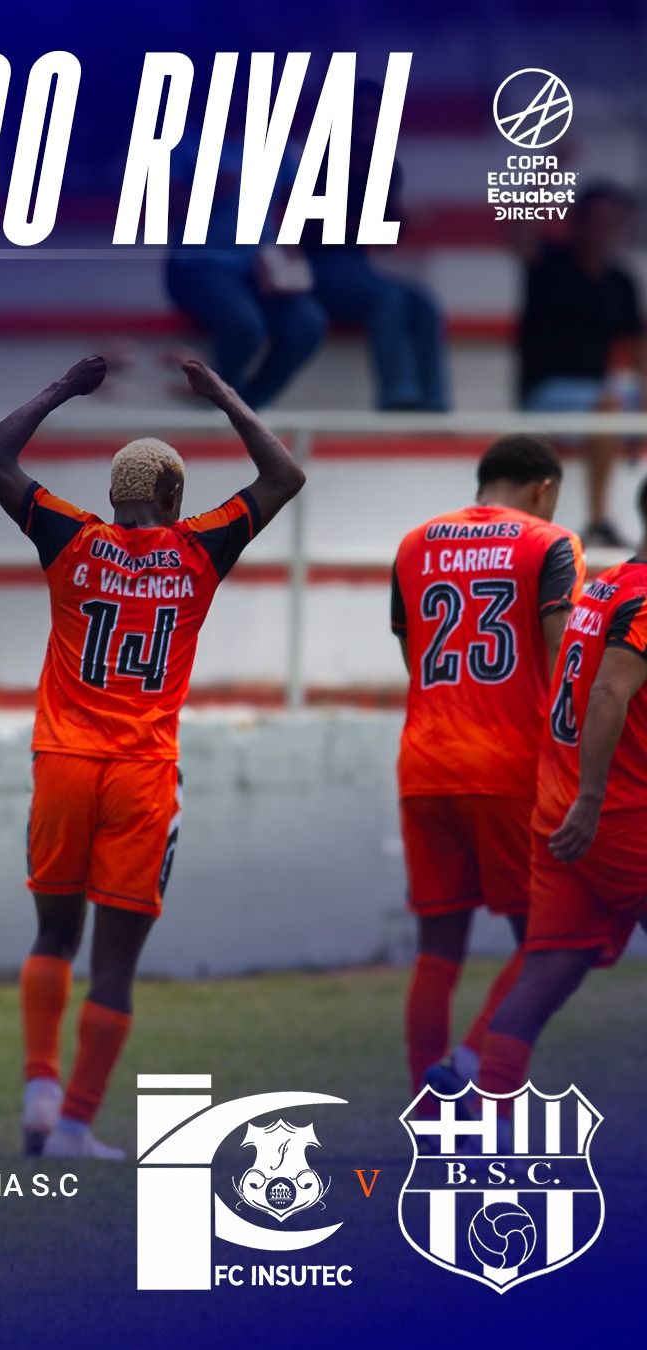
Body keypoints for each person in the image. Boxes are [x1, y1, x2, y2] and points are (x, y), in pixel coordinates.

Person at [0, 354, 305, 1158]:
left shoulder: (70, 537)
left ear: (114, 496)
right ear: (174, 498)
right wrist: (222, 394)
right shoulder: (200, 549)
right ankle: (76, 1125)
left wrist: (62, 388)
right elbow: (284, 475)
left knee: (54, 935)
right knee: (114, 967)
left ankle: (40, 1092)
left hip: (63, 762)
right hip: (143, 775)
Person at [391, 437, 584, 1101]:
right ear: (544, 489)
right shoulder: (551, 542)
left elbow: (413, 654)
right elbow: (564, 655)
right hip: (510, 764)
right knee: (549, 939)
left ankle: (425, 1107)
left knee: (437, 951)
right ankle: (470, 1060)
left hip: (425, 760)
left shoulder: (414, 543)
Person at [476, 475, 647, 1121]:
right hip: (617, 816)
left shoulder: (607, 585)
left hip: (562, 814)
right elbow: (607, 693)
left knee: (545, 976)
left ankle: (486, 1120)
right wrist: (594, 799)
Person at [303, 79, 449, 411]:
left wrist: (399, 219)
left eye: (376, 113)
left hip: (357, 266)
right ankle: (398, 395)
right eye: (362, 112)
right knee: (388, 299)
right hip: (317, 265)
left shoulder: (386, 167)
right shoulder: (318, 160)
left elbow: (382, 242)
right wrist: (376, 220)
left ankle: (435, 401)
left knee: (425, 304)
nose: (370, 120)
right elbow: (314, 228)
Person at [164, 112, 327, 408]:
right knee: (245, 325)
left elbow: (298, 206)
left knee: (308, 323)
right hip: (199, 266)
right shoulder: (185, 144)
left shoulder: (279, 148)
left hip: (260, 270)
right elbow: (158, 209)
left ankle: (247, 405)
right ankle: (217, 401)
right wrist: (204, 193)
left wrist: (289, 248)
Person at [517, 183, 647, 547]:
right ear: (578, 222)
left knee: (613, 398)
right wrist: (548, 168)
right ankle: (598, 519)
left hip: (600, 391)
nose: (604, 230)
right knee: (607, 403)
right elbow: (519, 230)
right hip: (546, 391)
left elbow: (638, 347)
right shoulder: (548, 262)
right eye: (597, 220)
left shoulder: (621, 280)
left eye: (612, 222)